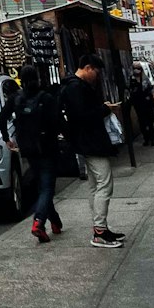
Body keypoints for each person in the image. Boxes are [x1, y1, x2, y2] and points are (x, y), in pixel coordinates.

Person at [61, 53, 125, 248]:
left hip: (87, 142)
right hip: (91, 142)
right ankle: (99, 231)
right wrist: (105, 109)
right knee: (105, 184)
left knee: (95, 185)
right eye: (96, 72)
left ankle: (101, 227)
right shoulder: (75, 88)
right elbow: (84, 116)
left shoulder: (74, 86)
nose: (97, 76)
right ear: (88, 68)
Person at [5, 65, 63, 243]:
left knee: (42, 187)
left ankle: (55, 223)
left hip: (27, 148)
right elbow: (58, 121)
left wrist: (7, 138)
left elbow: (2, 117)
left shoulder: (16, 98)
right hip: (46, 148)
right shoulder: (45, 97)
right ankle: (38, 222)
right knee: (47, 188)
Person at [127, 66, 154, 147]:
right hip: (138, 104)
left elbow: (150, 88)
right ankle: (146, 139)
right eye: (135, 68)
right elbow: (130, 90)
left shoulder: (145, 78)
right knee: (142, 122)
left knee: (150, 122)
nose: (137, 70)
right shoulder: (131, 79)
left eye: (138, 68)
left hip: (147, 103)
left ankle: (152, 139)